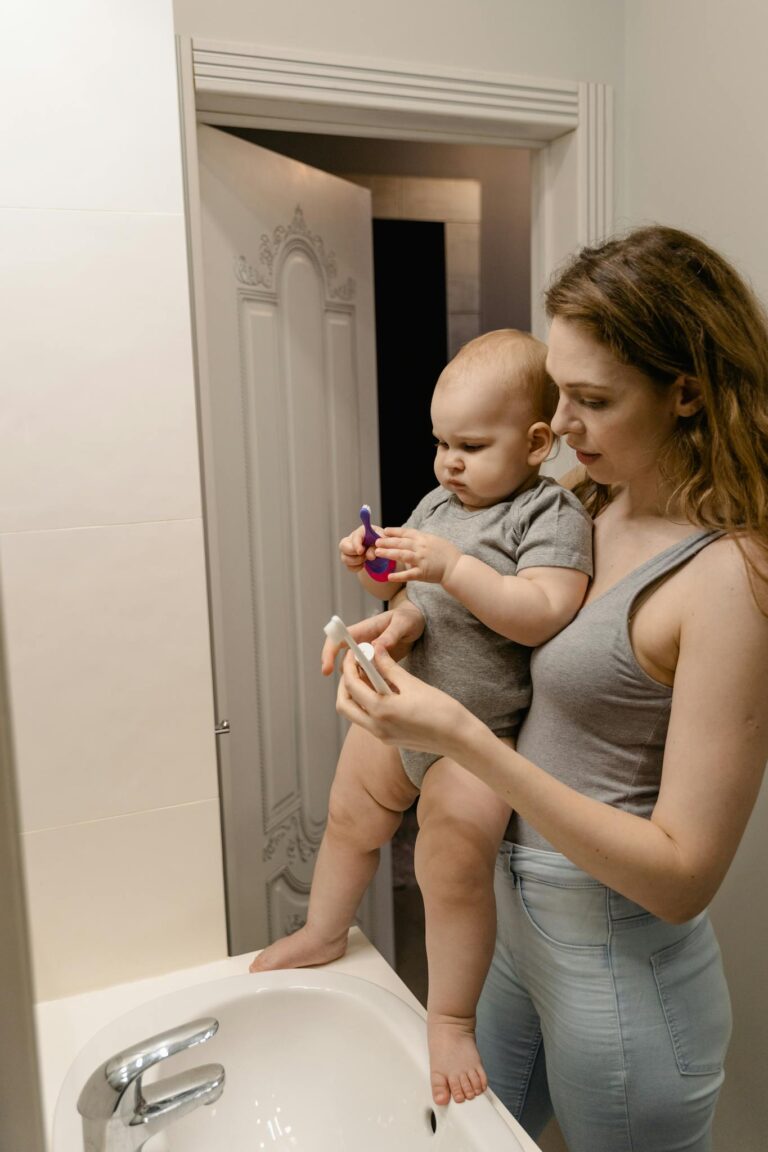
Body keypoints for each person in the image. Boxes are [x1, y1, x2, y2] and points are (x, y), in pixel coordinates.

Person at [331, 225, 768, 1152]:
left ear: (686, 391)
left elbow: (685, 877)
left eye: (593, 399)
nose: (560, 426)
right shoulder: (585, 504)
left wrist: (466, 742)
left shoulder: (731, 578)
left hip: (620, 983)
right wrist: (408, 619)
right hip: (515, 948)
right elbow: (499, 625)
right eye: (559, 392)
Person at [251, 329, 594, 1107]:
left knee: (450, 866)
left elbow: (541, 612)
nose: (449, 462)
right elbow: (410, 593)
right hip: (403, 712)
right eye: (441, 443)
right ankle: (325, 929)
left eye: (471, 445)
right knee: (346, 820)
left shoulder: (550, 514)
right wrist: (374, 568)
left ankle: (449, 1016)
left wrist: (451, 565)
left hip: (475, 741)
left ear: (538, 442)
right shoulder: (441, 503)